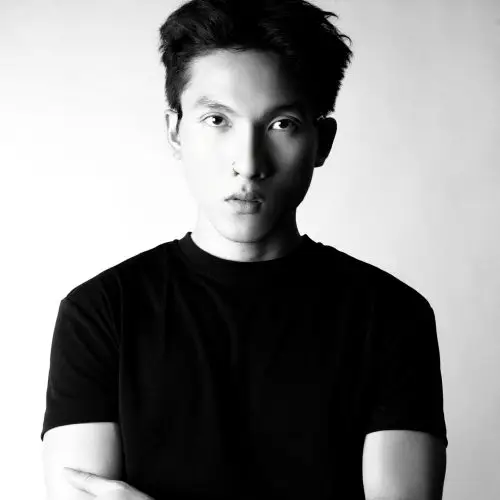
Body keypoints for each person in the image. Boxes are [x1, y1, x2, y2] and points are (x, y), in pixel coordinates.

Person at [41, 1, 448, 499]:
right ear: (175, 131)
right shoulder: (101, 313)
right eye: (217, 119)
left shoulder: (391, 316)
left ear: (322, 141)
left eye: (282, 124)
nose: (249, 163)